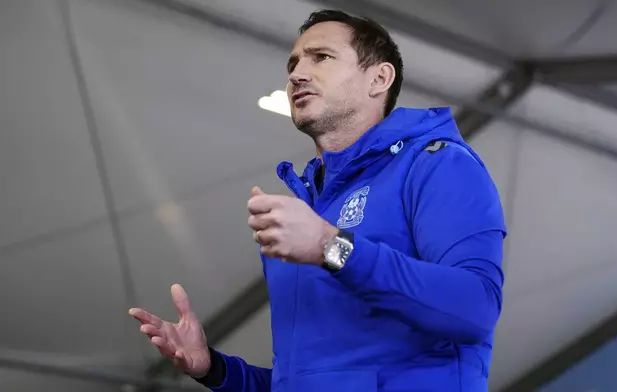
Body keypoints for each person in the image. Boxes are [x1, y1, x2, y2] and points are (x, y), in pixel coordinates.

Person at [129, 9, 506, 392]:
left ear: (379, 78)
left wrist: (331, 247)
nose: (296, 74)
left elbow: (475, 309)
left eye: (321, 57)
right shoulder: (306, 212)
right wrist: (216, 370)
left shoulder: (437, 164)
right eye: (293, 63)